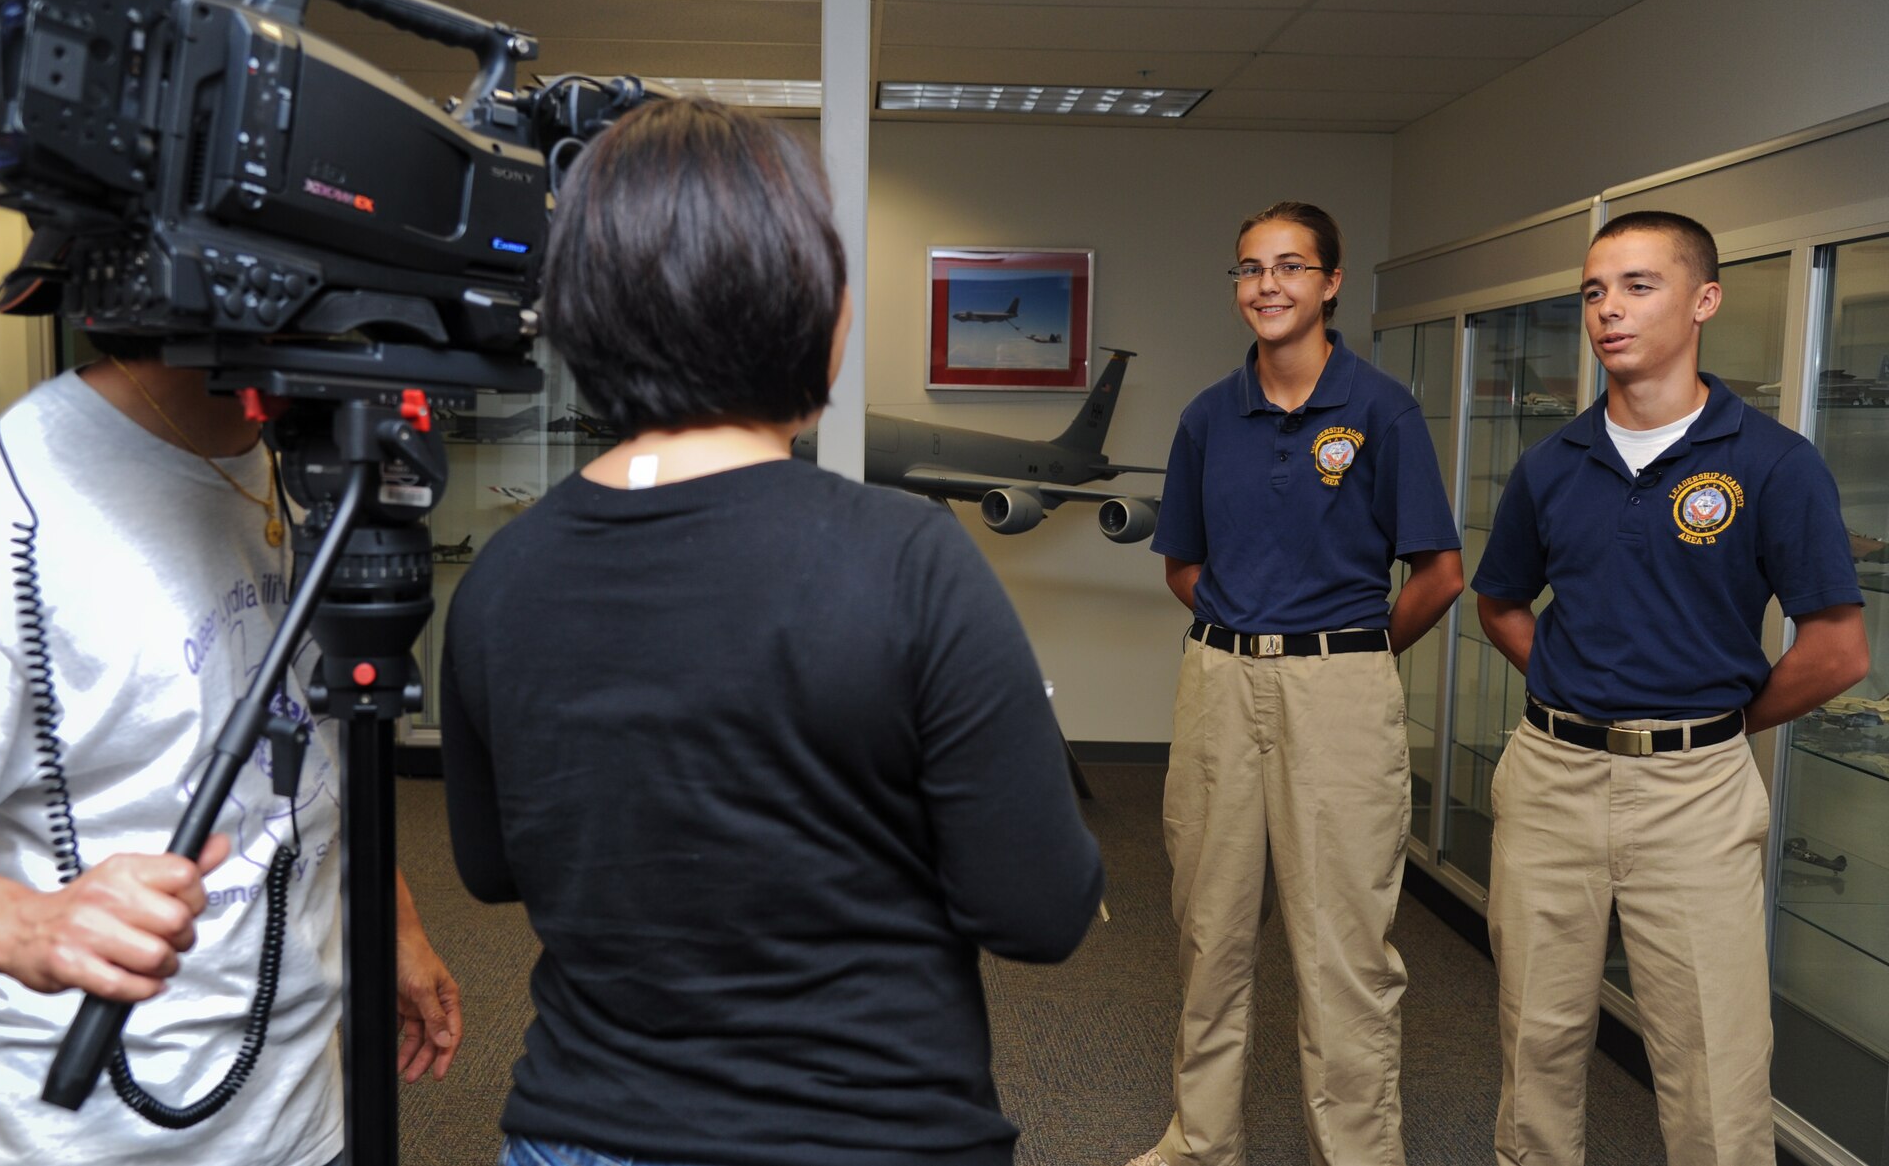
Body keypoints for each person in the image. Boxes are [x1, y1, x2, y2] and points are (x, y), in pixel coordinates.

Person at [439, 97, 1105, 1166]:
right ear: (819, 311)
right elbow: (1040, 912)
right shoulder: (908, 562)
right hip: (865, 1139)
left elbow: (489, 868)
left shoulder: (498, 581)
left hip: (577, 1135)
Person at [0, 339, 464, 1166]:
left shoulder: (289, 460)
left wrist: (394, 918)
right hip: (81, 1143)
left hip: (302, 1118)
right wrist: (27, 926)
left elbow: (309, 748)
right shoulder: (0, 507)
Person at [1472, 210, 1870, 1165]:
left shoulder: (1774, 463)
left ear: (1704, 301)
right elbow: (1499, 603)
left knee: (1712, 1054)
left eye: (1638, 286)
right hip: (1551, 776)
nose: (1609, 310)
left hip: (1695, 791)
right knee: (1537, 1038)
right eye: (1594, 291)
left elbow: (1837, 650)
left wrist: (1717, 719)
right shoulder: (1551, 464)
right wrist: (1579, 690)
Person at [1127, 201, 1463, 1166]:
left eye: (1287, 266)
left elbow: (1438, 573)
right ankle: (1201, 1141)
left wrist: (1352, 652)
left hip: (1342, 692)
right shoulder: (1206, 417)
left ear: (1330, 283)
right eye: (1248, 269)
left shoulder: (1381, 410)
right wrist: (1248, 630)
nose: (1266, 285)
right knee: (1209, 930)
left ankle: (1356, 1152)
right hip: (1219, 683)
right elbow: (1181, 565)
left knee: (1344, 948)